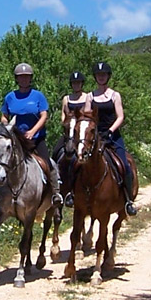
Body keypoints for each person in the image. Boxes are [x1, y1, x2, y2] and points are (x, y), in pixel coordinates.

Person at [0, 63, 63, 208]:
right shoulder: (10, 97)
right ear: (17, 79)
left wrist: (33, 131)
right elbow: (4, 116)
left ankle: (55, 193)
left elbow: (44, 116)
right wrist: (6, 127)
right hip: (16, 139)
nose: (24, 80)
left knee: (48, 163)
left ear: (30, 79)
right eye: (21, 77)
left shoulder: (38, 96)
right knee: (0, 161)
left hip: (35, 138)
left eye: (26, 77)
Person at [89, 61, 137, 215]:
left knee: (124, 164)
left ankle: (128, 200)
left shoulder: (115, 95)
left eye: (103, 75)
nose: (101, 77)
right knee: (79, 163)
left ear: (108, 76)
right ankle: (72, 195)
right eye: (98, 75)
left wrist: (110, 130)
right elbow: (87, 117)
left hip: (112, 136)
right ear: (95, 77)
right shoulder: (90, 96)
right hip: (95, 137)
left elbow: (120, 116)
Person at [54, 71, 90, 208]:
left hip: (80, 132)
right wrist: (67, 123)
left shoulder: (87, 97)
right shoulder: (66, 98)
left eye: (78, 83)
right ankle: (55, 185)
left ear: (82, 84)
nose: (76, 85)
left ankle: (79, 188)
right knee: (56, 152)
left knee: (81, 158)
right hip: (69, 131)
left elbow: (88, 116)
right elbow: (63, 116)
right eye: (74, 83)